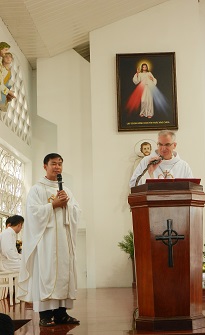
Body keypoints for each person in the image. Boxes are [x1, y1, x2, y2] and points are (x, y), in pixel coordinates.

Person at [17, 153, 81, 327]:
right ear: (45, 166)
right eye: (54, 164)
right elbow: (32, 213)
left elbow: (76, 211)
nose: (57, 167)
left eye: (60, 164)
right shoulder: (37, 189)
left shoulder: (66, 190)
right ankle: (45, 315)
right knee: (46, 274)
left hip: (63, 239)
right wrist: (53, 205)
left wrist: (68, 206)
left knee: (63, 275)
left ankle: (62, 314)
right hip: (45, 240)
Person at [0, 42, 15, 111]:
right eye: (6, 56)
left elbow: (6, 85)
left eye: (10, 57)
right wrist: (8, 92)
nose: (8, 58)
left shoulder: (9, 73)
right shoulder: (1, 68)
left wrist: (9, 93)